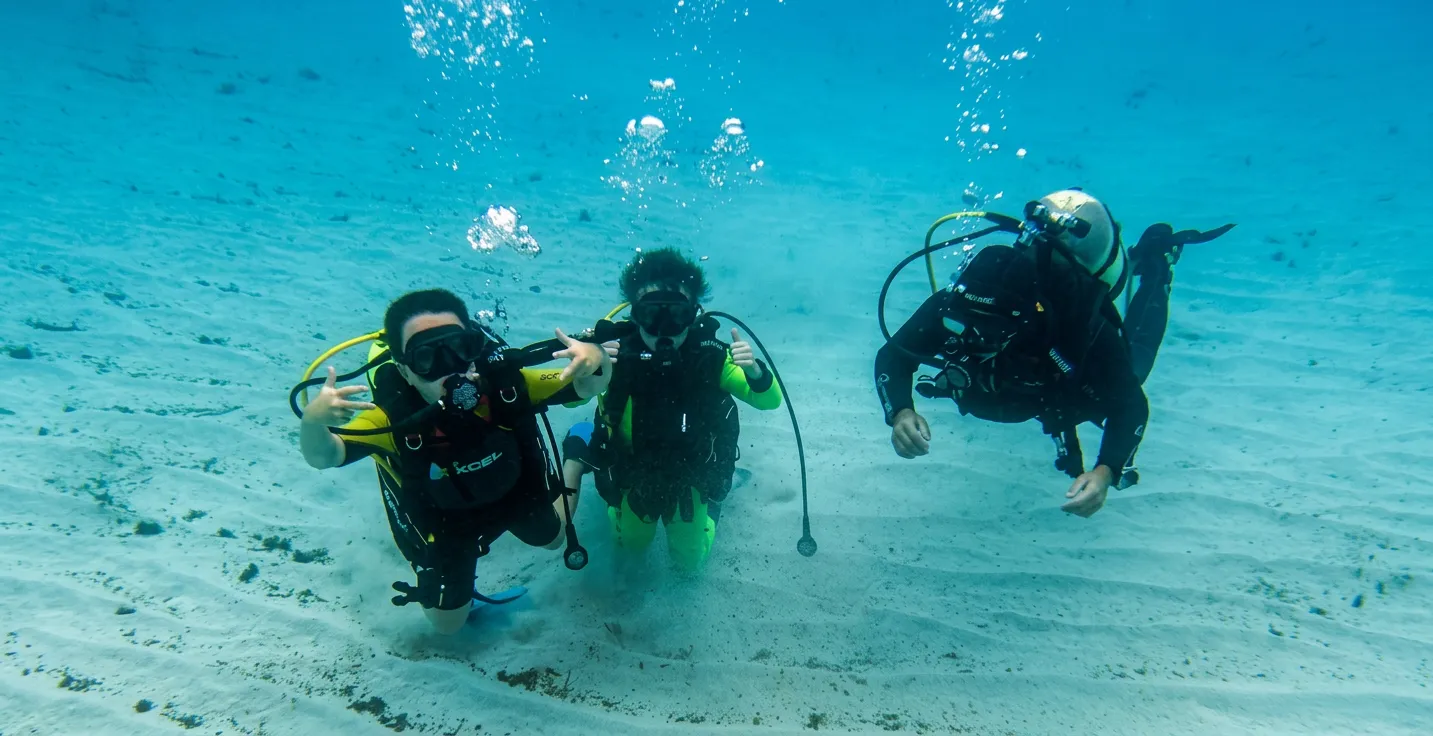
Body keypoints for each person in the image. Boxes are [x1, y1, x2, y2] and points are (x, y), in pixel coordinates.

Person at [875, 190, 1234, 517]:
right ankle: (1147, 261)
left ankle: (1157, 265)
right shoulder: (959, 301)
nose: (980, 333)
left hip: (1059, 392)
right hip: (1016, 391)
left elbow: (1132, 407)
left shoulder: (1082, 329)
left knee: (1134, 367)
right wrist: (901, 411)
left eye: (993, 330)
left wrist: (1105, 471)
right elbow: (893, 356)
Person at [297, 288, 611, 634]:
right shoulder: (390, 419)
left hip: (511, 487)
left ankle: (575, 459)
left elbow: (587, 386)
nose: (449, 369)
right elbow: (324, 455)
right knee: (447, 626)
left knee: (553, 540)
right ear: (405, 371)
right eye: (427, 359)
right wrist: (313, 421)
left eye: (459, 350)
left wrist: (595, 358)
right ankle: (463, 597)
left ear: (475, 349)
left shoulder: (508, 386)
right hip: (445, 518)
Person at [561, 248, 784, 570]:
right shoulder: (613, 356)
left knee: (691, 561)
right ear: (635, 315)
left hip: (688, 475)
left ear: (693, 314)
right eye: (652, 315)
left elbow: (769, 400)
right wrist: (585, 370)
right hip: (633, 472)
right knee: (630, 546)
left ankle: (711, 510)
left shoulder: (710, 357)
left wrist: (756, 372)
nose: (664, 330)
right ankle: (582, 444)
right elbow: (571, 399)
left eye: (676, 314)